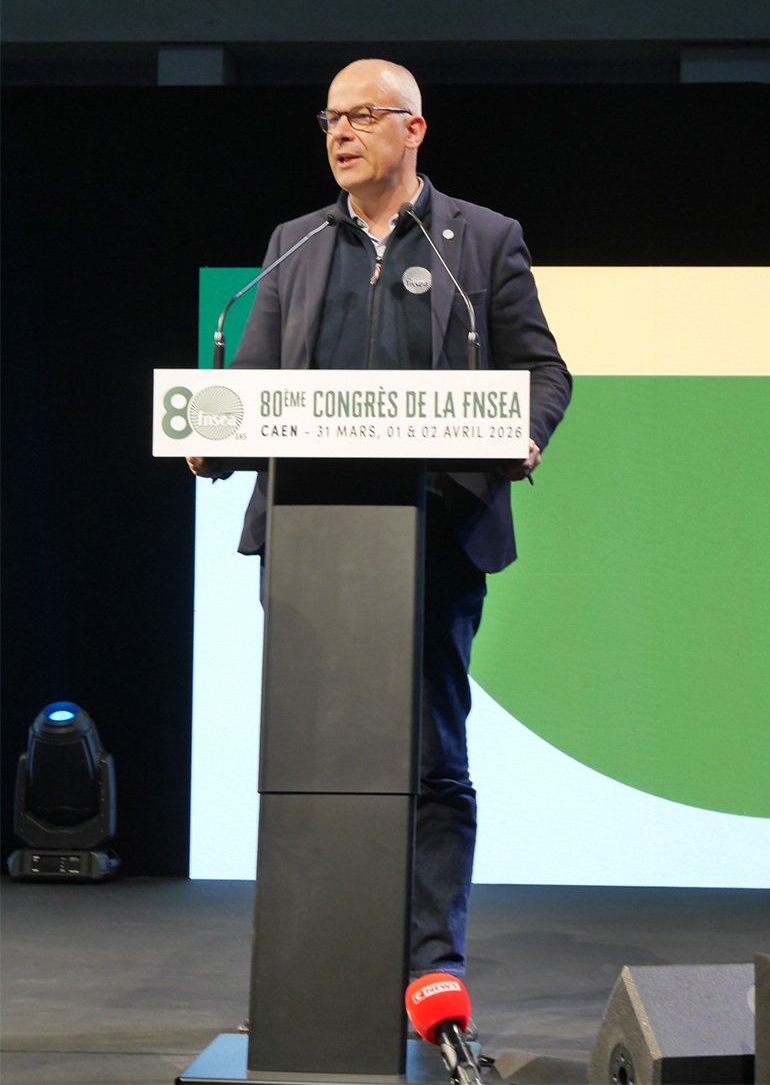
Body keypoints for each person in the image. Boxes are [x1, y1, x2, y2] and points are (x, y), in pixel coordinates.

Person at [188, 59, 571, 979]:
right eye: (330, 119)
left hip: (434, 533)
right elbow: (254, 382)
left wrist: (524, 432)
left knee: (431, 755)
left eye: (362, 116)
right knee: (310, 762)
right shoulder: (294, 243)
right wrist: (211, 438)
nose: (341, 134)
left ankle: (431, 965)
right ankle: (316, 971)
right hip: (308, 539)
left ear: (413, 129)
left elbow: (542, 370)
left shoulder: (480, 240)